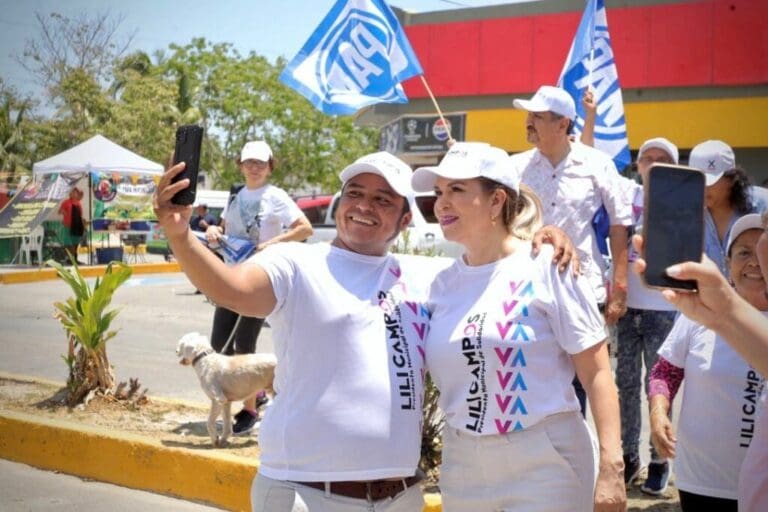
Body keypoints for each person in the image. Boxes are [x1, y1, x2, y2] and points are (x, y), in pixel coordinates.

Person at [155, 148, 577, 512]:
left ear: (406, 219)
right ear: (339, 204)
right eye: (354, 194)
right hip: (305, 493)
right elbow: (232, 289)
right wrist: (181, 237)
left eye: (383, 199)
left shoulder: (433, 277)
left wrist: (543, 236)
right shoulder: (297, 263)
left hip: (400, 497)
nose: (364, 206)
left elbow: (494, 257)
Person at [411, 142, 626, 512]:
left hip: (546, 460)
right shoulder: (440, 283)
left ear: (496, 201)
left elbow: (597, 373)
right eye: (438, 192)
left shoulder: (547, 264)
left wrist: (613, 467)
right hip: (463, 463)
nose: (441, 203)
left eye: (457, 190)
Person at [631, 214, 768, 512]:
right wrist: (658, 412)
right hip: (703, 482)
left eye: (762, 248)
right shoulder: (698, 314)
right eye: (744, 252)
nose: (755, 260)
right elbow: (665, 371)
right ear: (727, 265)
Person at [511, 85, 633, 415]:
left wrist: (620, 286)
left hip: (583, 287)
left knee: (583, 379)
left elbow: (621, 223)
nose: (528, 122)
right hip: (529, 288)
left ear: (563, 124)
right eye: (528, 115)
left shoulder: (597, 164)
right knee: (536, 372)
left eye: (537, 116)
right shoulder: (515, 168)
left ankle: (579, 456)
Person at [204, 140, 312, 435]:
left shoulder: (276, 196)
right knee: (219, 343)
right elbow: (224, 229)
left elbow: (304, 228)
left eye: (260, 163)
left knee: (245, 345)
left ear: (269, 167)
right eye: (249, 162)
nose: (254, 168)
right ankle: (253, 395)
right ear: (240, 165)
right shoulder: (236, 196)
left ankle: (250, 409)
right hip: (231, 276)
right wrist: (214, 231)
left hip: (259, 279)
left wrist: (269, 245)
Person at [610, 138, 681, 493]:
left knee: (657, 388)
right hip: (627, 309)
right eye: (646, 159)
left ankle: (658, 459)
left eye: (661, 159)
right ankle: (628, 455)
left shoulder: (682, 202)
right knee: (624, 386)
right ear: (637, 166)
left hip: (664, 311)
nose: (652, 164)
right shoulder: (627, 197)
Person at [689, 140, 762, 277]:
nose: (703, 186)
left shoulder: (764, 205)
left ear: (732, 178)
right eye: (697, 179)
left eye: (710, 180)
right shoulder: (685, 214)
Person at [59, 186, 86, 264]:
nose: (74, 194)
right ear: (70, 194)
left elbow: (80, 215)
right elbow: (60, 211)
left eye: (76, 192)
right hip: (68, 226)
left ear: (77, 194)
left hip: (77, 226)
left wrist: (83, 224)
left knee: (76, 244)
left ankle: (74, 260)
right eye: (73, 192)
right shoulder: (66, 202)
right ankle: (71, 259)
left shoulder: (79, 203)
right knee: (68, 244)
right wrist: (64, 213)